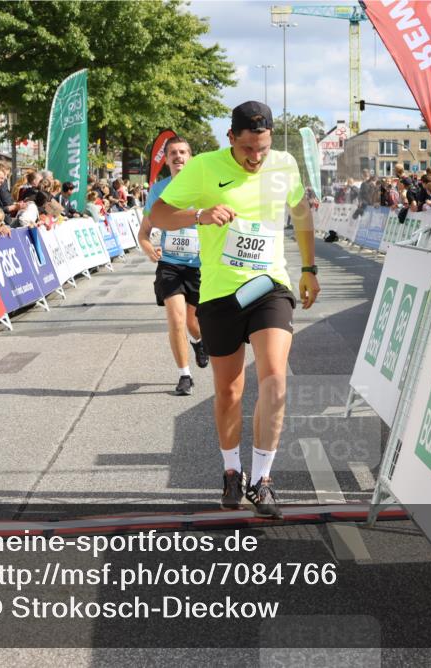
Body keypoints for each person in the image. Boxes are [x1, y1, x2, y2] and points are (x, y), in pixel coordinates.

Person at [150, 101, 320, 518]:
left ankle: (263, 480)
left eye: (262, 148)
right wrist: (199, 214)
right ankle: (232, 472)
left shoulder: (284, 165)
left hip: (269, 287)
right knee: (229, 390)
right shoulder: (204, 167)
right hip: (221, 294)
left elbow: (299, 211)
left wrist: (309, 267)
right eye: (247, 149)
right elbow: (158, 213)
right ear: (231, 139)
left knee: (275, 380)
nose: (256, 158)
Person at [138, 136, 209, 396]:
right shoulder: (159, 190)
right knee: (176, 319)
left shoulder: (204, 188)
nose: (178, 156)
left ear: (190, 157)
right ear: (166, 160)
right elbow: (144, 233)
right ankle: (185, 375)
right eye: (173, 153)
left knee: (193, 323)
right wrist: (149, 250)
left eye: (183, 152)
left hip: (200, 266)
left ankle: (199, 342)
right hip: (170, 264)